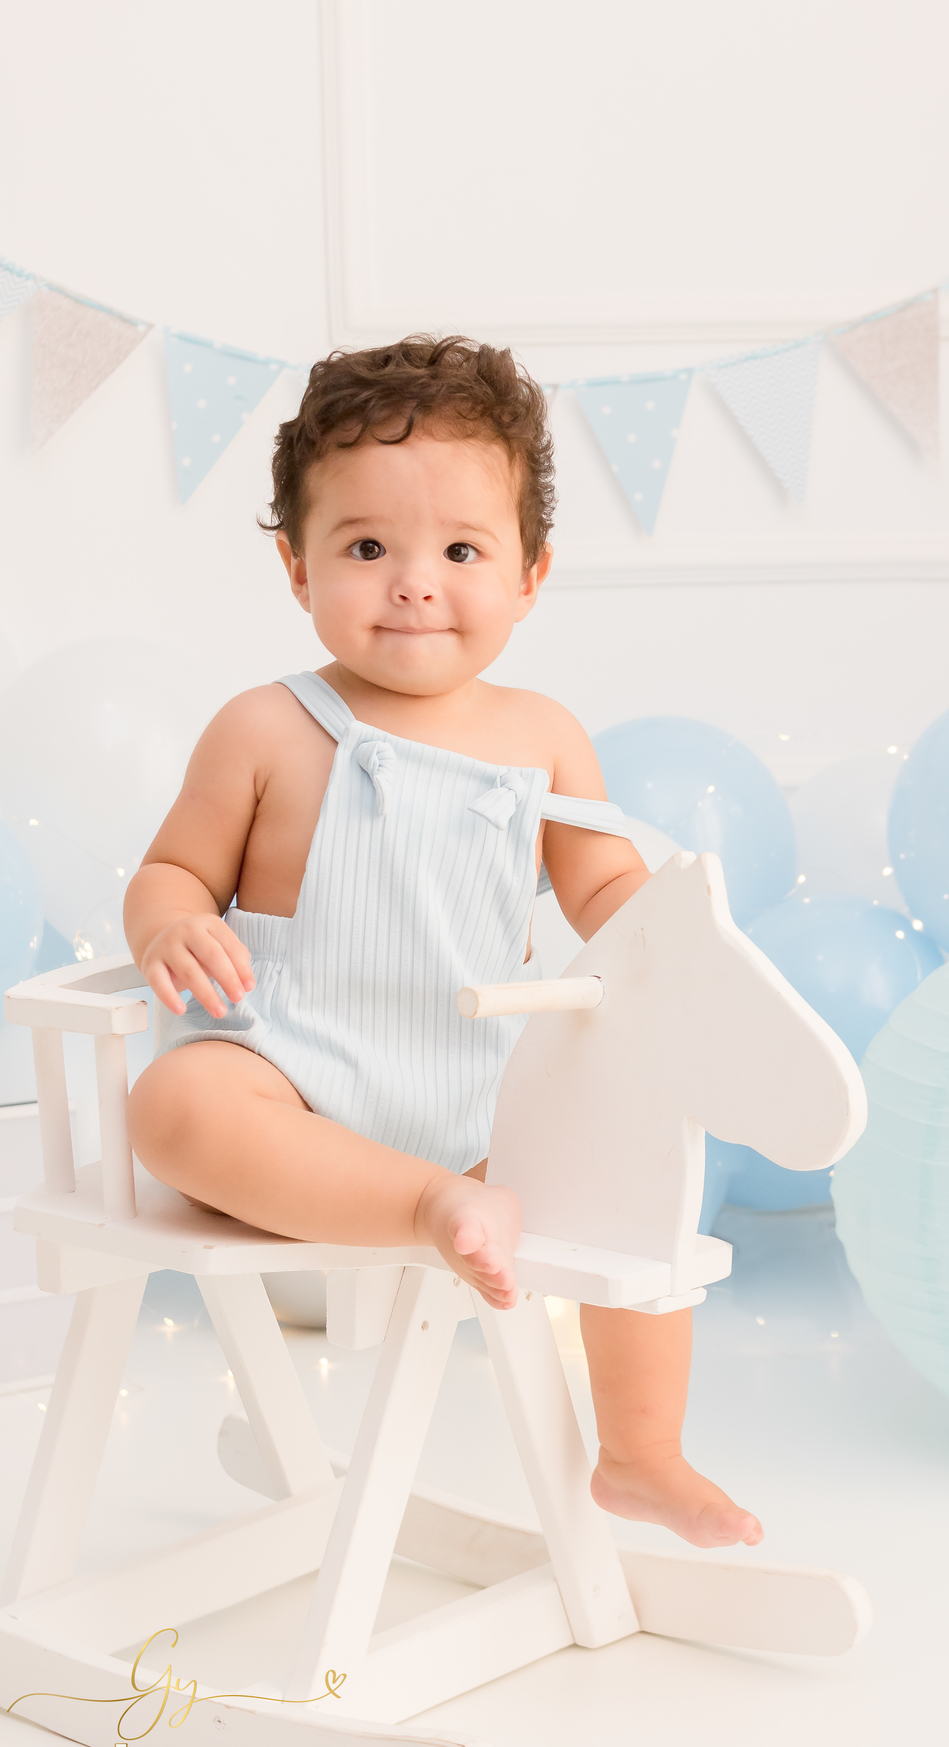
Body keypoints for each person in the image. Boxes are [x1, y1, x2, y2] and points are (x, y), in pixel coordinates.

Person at [124, 335, 761, 1550]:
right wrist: (174, 920)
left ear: (532, 573)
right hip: (291, 1059)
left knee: (636, 1180)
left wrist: (671, 957)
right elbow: (170, 869)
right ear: (296, 568)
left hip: (478, 1088)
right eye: (367, 548)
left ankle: (640, 1453)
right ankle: (422, 1208)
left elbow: (604, 889)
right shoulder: (264, 726)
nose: (415, 583)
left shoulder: (543, 735)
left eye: (462, 551)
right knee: (175, 1107)